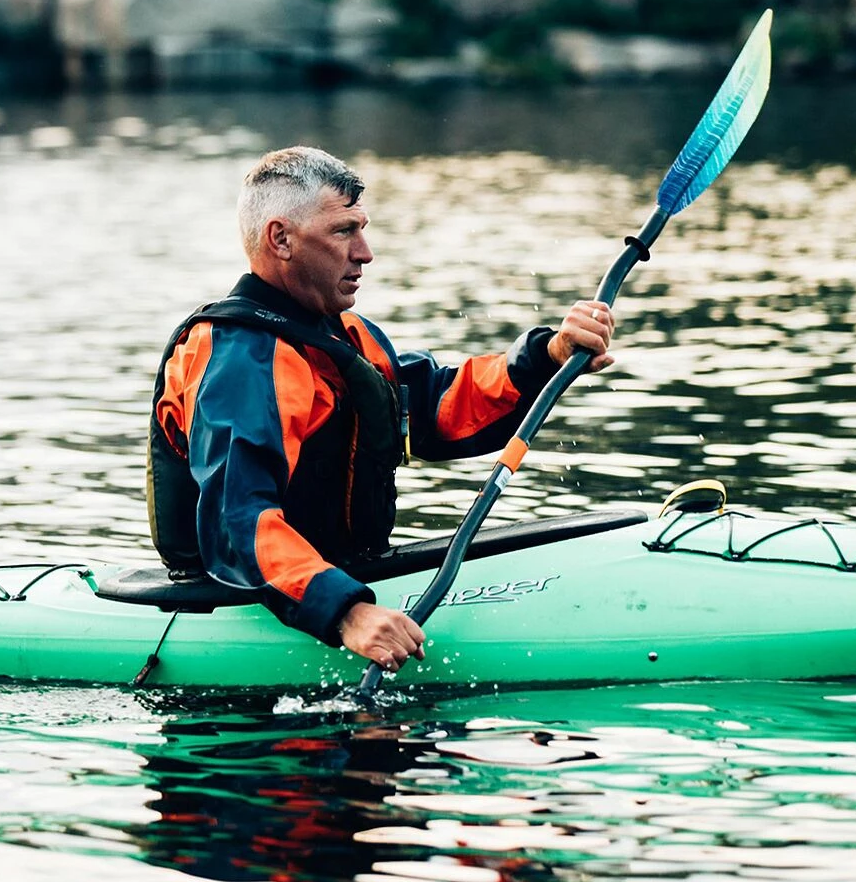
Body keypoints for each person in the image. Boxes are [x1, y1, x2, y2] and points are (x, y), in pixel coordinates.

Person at [148, 146, 615, 674]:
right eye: (344, 231)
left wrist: (546, 357)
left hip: (341, 574)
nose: (365, 252)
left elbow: (436, 407)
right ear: (281, 239)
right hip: (240, 597)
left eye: (361, 229)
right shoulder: (240, 357)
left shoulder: (347, 336)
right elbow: (239, 523)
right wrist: (348, 614)